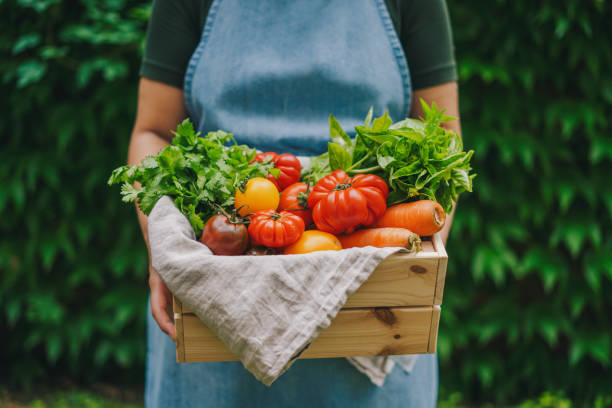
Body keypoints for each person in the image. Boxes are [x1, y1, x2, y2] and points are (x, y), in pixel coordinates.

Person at [128, 0, 460, 406]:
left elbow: (442, 137)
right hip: (214, 301)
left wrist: (414, 268)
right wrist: (161, 246)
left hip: (374, 319)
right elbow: (154, 131)